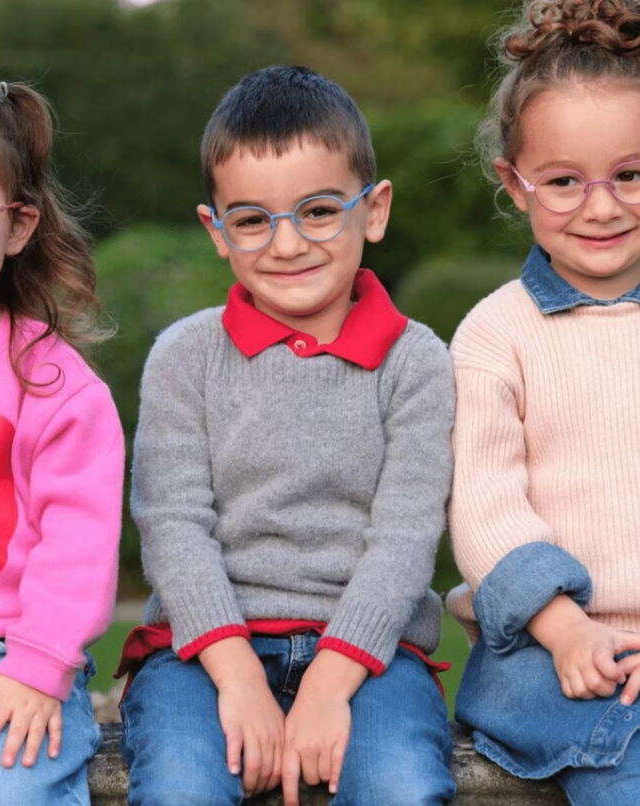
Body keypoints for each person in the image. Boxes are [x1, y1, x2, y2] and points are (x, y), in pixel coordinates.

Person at [118, 65, 456, 805]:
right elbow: (172, 523)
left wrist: (331, 683)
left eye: (319, 210)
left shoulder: (416, 361)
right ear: (217, 230)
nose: (287, 242)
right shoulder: (187, 355)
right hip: (204, 654)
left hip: (373, 656)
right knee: (180, 787)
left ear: (374, 210)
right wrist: (237, 676)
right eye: (252, 219)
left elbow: (404, 537)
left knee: (399, 786)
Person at [447, 1, 640, 803]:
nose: (601, 207)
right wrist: (566, 629)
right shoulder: (496, 334)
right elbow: (487, 510)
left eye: (631, 174)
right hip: (547, 645)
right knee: (622, 760)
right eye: (564, 182)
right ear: (515, 184)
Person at [0, 71, 124, 805]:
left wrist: (39, 665)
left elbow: (76, 541)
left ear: (16, 225)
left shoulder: (53, 383)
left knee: (2, 793)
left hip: (4, 659)